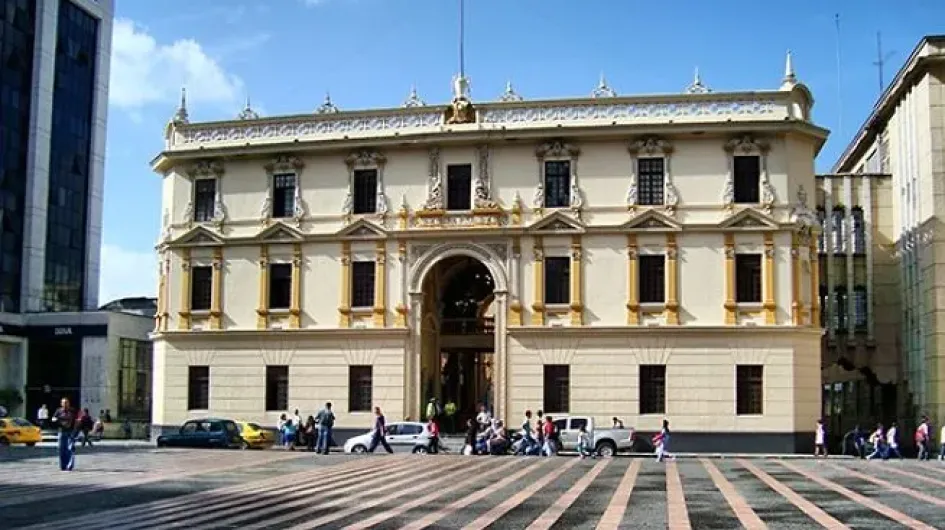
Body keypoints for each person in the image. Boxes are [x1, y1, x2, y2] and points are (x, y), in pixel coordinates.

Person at [51, 398, 77, 471]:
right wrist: (55, 420)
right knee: (61, 449)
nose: (65, 404)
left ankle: (69, 466)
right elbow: (53, 418)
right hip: (61, 431)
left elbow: (76, 420)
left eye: (66, 402)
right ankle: (63, 466)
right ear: (61, 404)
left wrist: (75, 430)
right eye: (64, 403)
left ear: (69, 403)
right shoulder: (58, 411)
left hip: (70, 432)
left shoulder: (72, 410)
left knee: (70, 449)